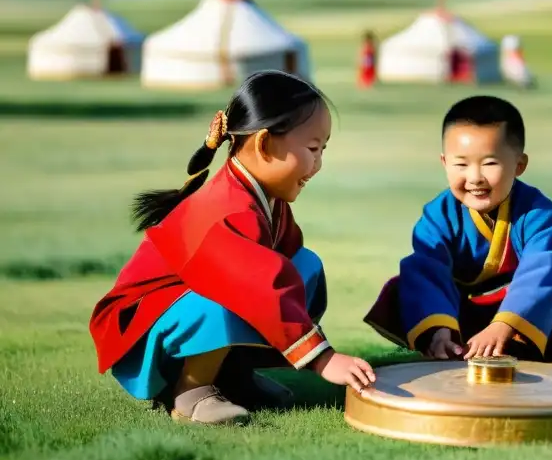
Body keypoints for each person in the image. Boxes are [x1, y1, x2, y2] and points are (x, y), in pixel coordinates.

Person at [89, 70, 375, 425]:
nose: (318, 164)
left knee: (305, 266)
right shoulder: (226, 208)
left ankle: (231, 377)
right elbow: (261, 284)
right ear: (265, 144)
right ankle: (190, 392)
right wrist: (322, 358)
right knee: (230, 295)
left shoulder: (265, 198)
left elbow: (280, 269)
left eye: (323, 150)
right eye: (313, 149)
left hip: (189, 310)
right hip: (145, 325)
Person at [364, 95, 552, 365]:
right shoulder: (438, 215)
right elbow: (428, 272)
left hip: (520, 321)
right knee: (405, 283)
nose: (475, 177)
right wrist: (438, 328)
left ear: (519, 165)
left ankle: (532, 362)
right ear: (444, 163)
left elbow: (544, 267)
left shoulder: (536, 212)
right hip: (459, 315)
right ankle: (445, 349)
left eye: (490, 163)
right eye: (461, 164)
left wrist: (504, 325)